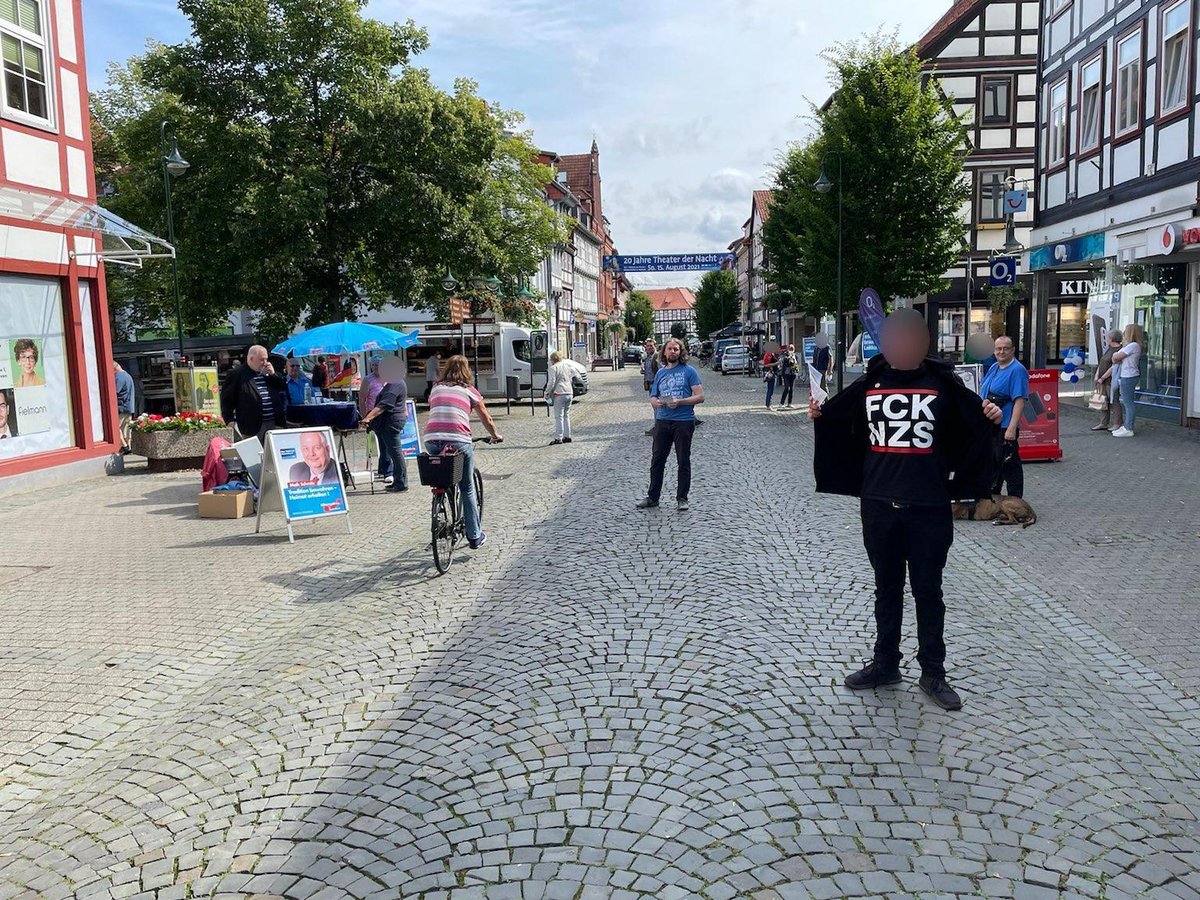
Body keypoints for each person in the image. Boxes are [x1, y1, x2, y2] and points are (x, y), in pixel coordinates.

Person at [810, 308, 1002, 712]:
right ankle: (885, 663)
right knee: (887, 588)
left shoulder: (943, 383)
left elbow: (974, 422)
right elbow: (836, 418)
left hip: (929, 504)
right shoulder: (871, 381)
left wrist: (992, 417)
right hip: (879, 503)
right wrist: (819, 416)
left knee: (928, 592)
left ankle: (933, 671)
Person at [425, 355, 504, 549]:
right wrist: (495, 434)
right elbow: (485, 417)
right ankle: (474, 536)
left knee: (443, 477)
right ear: (466, 371)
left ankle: (442, 502)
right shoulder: (469, 390)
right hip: (458, 441)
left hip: (431, 440)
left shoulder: (435, 387)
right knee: (467, 488)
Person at [637, 338, 704, 512]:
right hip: (662, 420)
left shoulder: (689, 371)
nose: (673, 352)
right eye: (670, 349)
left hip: (683, 421)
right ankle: (653, 497)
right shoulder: (660, 373)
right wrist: (654, 402)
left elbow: (700, 396)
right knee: (657, 460)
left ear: (681, 352)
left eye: (676, 349)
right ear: (664, 353)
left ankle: (682, 498)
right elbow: (653, 395)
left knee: (683, 460)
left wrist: (680, 402)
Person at [980, 335, 1029, 498]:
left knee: (1009, 462)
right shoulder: (994, 367)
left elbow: (1020, 400)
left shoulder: (1017, 370)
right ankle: (994, 496)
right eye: (998, 348)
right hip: (991, 422)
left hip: (1005, 423)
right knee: (994, 461)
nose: (1001, 352)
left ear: (1013, 350)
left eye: (1005, 348)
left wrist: (1011, 428)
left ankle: (1015, 498)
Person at [219, 344, 287, 444]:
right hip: (251, 425)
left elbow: (282, 388)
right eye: (262, 360)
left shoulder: (268, 373)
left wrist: (273, 375)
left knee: (273, 456)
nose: (265, 363)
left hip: (273, 422)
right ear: (251, 359)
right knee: (253, 457)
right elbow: (226, 400)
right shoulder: (237, 374)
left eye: (266, 359)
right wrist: (229, 420)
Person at [359, 358, 409, 492]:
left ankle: (401, 483)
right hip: (388, 421)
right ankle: (397, 479)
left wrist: (368, 418)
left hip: (391, 421)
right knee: (392, 452)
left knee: (395, 452)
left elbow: (385, 404)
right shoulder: (393, 382)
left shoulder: (395, 383)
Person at [1111, 323, 1144, 438]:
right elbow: (1116, 358)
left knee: (1128, 403)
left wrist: (1116, 355)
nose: (1124, 333)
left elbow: (1116, 358)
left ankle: (1129, 428)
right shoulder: (1132, 346)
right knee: (1126, 402)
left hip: (1129, 376)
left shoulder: (1133, 345)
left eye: (1126, 331)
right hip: (1128, 375)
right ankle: (1126, 426)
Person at [1092, 330, 1125, 433]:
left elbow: (1113, 367)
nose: (1106, 339)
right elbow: (1102, 362)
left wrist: (1103, 377)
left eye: (1107, 337)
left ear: (1112, 338)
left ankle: (1117, 423)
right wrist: (1097, 375)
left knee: (1114, 401)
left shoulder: (1120, 350)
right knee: (1103, 400)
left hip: (1111, 380)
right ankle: (1103, 423)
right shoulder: (1108, 349)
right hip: (1102, 379)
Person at [545, 351, 575, 445]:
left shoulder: (553, 368)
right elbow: (572, 376)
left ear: (553, 359)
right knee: (566, 415)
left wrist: (547, 392)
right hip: (569, 392)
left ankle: (559, 437)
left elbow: (551, 382)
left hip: (559, 393)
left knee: (559, 416)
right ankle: (567, 436)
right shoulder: (567, 366)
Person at [112, 362, 136, 452]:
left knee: (115, 427)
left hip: (121, 406)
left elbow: (115, 391)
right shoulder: (128, 376)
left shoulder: (119, 377)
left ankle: (124, 446)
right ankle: (128, 446)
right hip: (129, 407)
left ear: (114, 369)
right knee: (126, 428)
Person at [641, 339, 659, 435]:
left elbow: (661, 372)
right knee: (655, 406)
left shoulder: (657, 357)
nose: (650, 347)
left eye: (651, 345)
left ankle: (657, 427)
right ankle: (658, 426)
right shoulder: (648, 358)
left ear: (655, 346)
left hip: (656, 385)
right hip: (650, 384)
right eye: (648, 346)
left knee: (657, 406)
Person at [777, 344, 799, 409]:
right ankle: (781, 403)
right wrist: (788, 358)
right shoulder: (785, 355)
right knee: (787, 388)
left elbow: (797, 364)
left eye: (792, 349)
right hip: (786, 374)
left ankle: (789, 403)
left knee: (791, 389)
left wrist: (794, 364)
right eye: (790, 349)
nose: (791, 351)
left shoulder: (795, 356)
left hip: (793, 374)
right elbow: (782, 361)